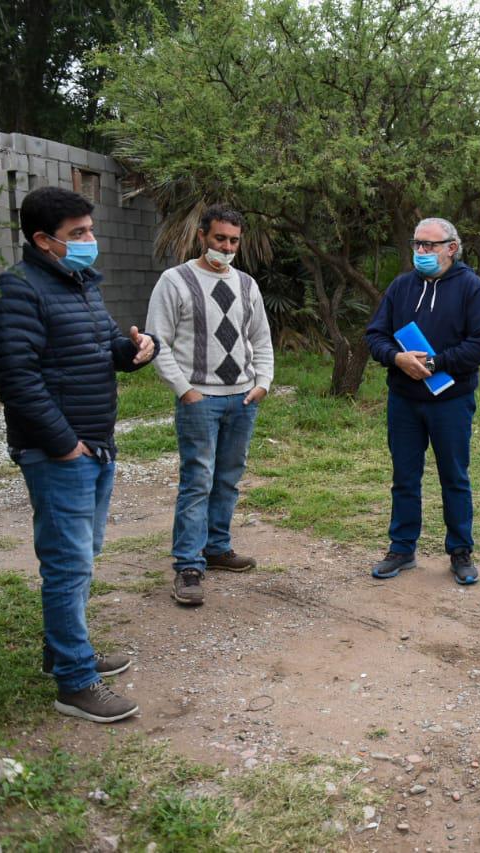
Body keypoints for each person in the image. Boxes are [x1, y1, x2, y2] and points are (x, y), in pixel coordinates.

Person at [0, 185, 156, 723]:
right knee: (67, 563)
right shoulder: (15, 293)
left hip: (94, 444)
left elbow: (106, 346)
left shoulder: (78, 284)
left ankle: (63, 651)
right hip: (61, 452)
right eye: (77, 234)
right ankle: (75, 682)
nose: (90, 241)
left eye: (90, 230)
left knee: (82, 557)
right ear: (42, 240)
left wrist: (137, 350)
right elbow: (17, 381)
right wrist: (66, 446)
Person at [146, 205, 274, 607]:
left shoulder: (247, 285)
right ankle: (188, 564)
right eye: (220, 238)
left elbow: (262, 339)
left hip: (242, 398)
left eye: (234, 240)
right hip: (200, 400)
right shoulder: (175, 281)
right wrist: (185, 389)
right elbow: (157, 341)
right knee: (197, 481)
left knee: (228, 478)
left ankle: (217, 548)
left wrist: (263, 384)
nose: (227, 247)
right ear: (202, 236)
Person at [365, 217, 480, 585]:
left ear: (451, 248)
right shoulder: (402, 286)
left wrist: (436, 362)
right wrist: (397, 358)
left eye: (429, 245)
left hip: (451, 400)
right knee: (405, 476)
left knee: (454, 476)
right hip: (404, 400)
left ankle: (460, 551)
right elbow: (376, 334)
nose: (421, 251)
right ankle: (402, 548)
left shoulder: (472, 288)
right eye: (417, 243)